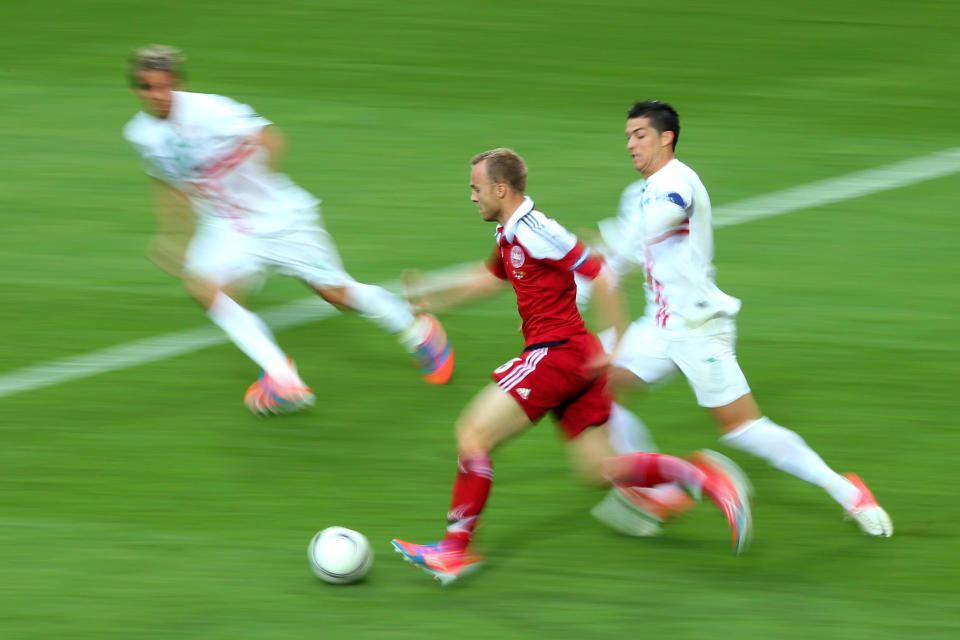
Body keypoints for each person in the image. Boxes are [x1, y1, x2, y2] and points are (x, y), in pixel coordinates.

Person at [390, 148, 753, 585]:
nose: (472, 196)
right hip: (575, 357)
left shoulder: (536, 230)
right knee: (600, 471)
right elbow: (491, 277)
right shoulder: (510, 235)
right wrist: (436, 292)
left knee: (472, 434)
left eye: (476, 188)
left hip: (556, 353)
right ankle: (703, 477)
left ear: (500, 189)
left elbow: (598, 270)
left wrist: (615, 339)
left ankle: (455, 550)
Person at [584, 100, 893, 537]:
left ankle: (849, 492)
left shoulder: (677, 185)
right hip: (659, 326)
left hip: (698, 331)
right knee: (594, 391)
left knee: (743, 428)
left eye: (640, 135)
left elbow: (657, 224)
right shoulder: (641, 192)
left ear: (665, 138)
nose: (631, 144)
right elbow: (615, 262)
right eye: (628, 136)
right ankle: (660, 490)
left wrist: (617, 254)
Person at [122, 45, 454, 415]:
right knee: (207, 289)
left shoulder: (211, 110)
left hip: (280, 218)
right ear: (137, 89)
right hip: (227, 226)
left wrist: (252, 189)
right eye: (149, 87)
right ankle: (282, 378)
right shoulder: (141, 134)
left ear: (177, 83)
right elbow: (168, 180)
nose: (158, 95)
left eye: (165, 86)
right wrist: (172, 234)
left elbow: (270, 138)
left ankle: (420, 333)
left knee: (336, 292)